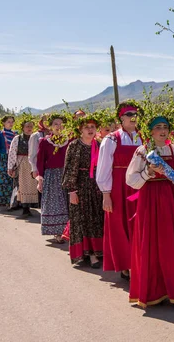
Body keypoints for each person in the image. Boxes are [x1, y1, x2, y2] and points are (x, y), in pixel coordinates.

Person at [126, 116, 174, 308]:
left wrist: (173, 175)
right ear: (151, 131)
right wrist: (148, 172)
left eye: (165, 127)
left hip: (170, 201)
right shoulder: (142, 151)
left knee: (173, 243)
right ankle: (154, 291)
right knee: (151, 244)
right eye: (158, 127)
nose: (162, 130)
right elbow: (131, 180)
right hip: (149, 202)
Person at [96, 101, 143, 280]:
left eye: (135, 114)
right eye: (129, 114)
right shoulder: (111, 139)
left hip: (139, 186)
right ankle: (126, 264)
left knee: (138, 224)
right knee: (120, 225)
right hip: (118, 188)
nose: (133, 118)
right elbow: (103, 169)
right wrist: (106, 195)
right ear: (121, 118)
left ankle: (139, 262)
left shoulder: (143, 137)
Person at [61, 115, 104, 268]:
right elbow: (69, 169)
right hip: (80, 187)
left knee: (97, 219)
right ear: (80, 130)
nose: (91, 130)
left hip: (97, 187)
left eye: (93, 127)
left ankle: (98, 251)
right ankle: (90, 254)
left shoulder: (99, 145)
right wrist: (72, 191)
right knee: (83, 220)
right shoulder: (74, 146)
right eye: (87, 127)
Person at [36, 114, 70, 243]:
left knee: (67, 204)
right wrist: (40, 179)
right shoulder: (45, 141)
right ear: (50, 126)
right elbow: (40, 161)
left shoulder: (69, 140)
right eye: (55, 123)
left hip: (66, 174)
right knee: (55, 204)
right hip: (52, 176)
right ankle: (57, 232)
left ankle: (67, 231)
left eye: (61, 123)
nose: (59, 126)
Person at [7, 117, 38, 218]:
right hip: (22, 163)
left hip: (33, 164)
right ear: (23, 128)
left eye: (31, 126)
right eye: (27, 126)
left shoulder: (36, 138)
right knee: (23, 187)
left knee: (32, 188)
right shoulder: (17, 138)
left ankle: (29, 208)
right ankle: (25, 209)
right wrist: (10, 167)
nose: (29, 128)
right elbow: (12, 153)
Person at [29, 114, 50, 206]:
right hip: (40, 166)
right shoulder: (36, 136)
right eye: (45, 120)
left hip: (51, 167)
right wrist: (34, 169)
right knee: (42, 189)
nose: (47, 123)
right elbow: (32, 154)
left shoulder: (55, 134)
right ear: (41, 121)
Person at [0, 115, 17, 209]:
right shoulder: (0, 134)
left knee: (12, 180)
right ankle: (2, 201)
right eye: (8, 122)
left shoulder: (15, 134)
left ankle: (12, 201)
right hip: (3, 158)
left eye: (12, 122)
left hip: (13, 159)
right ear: (3, 123)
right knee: (3, 180)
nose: (10, 124)